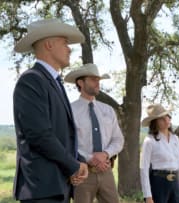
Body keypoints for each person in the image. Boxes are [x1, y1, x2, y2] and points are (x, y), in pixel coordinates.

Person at [12, 19, 88, 203]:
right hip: (41, 189)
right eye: (64, 43)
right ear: (49, 45)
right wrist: (73, 166)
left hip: (58, 186)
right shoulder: (31, 80)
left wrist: (79, 160)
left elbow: (61, 134)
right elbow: (39, 135)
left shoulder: (53, 82)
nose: (69, 49)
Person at [64, 63, 124, 203]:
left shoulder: (108, 110)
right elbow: (67, 141)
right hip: (82, 173)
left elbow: (118, 140)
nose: (97, 83)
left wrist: (105, 154)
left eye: (98, 80)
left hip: (106, 171)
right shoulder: (70, 111)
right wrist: (88, 158)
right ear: (80, 82)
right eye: (93, 79)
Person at [140, 104, 179, 203]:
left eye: (167, 116)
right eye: (161, 119)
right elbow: (144, 169)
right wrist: (147, 196)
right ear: (154, 123)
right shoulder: (149, 140)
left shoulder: (175, 139)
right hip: (158, 183)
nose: (166, 120)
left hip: (175, 184)